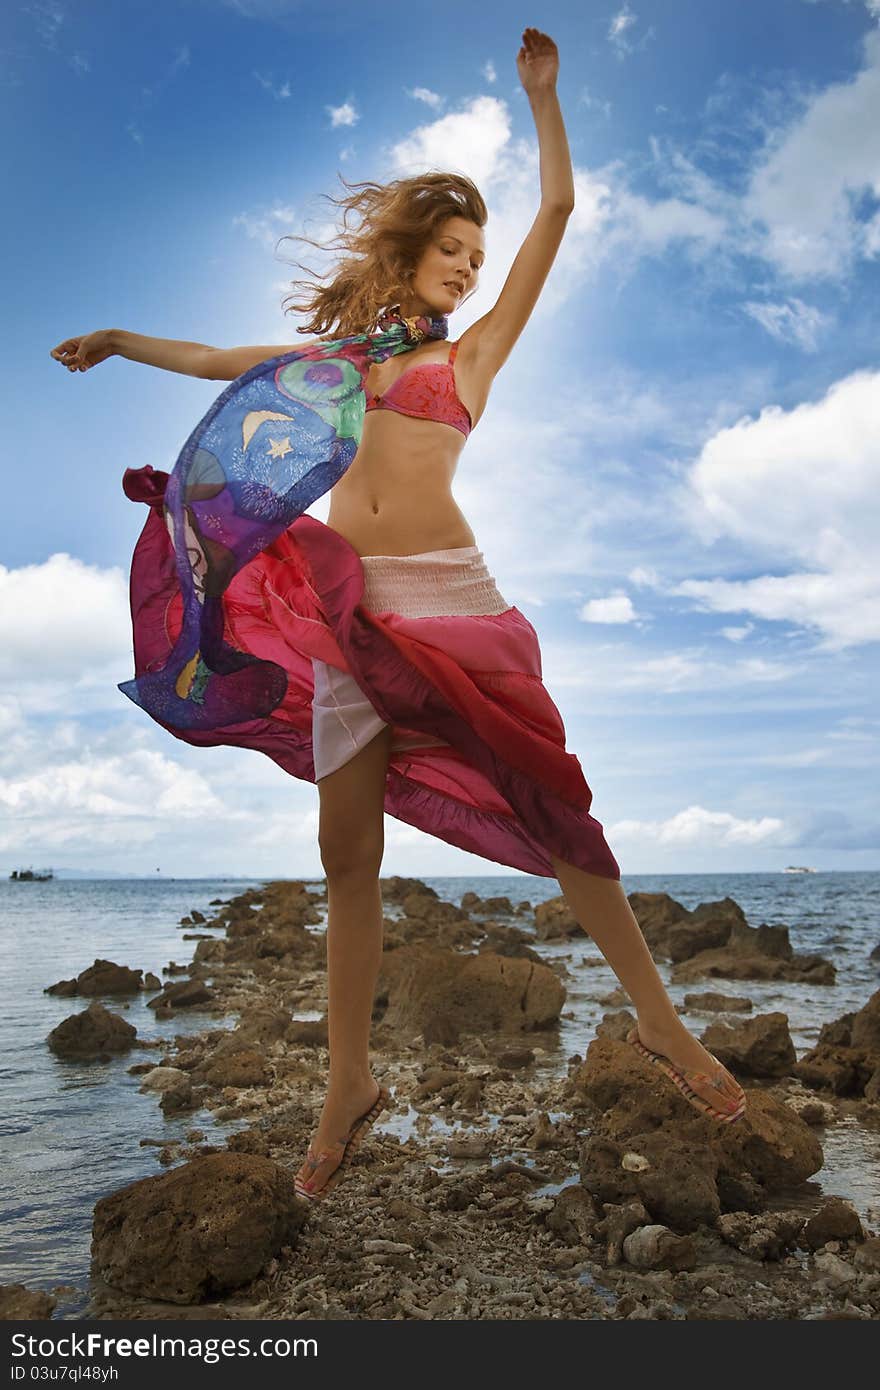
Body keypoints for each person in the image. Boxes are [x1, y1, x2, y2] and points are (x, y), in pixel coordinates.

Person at [50, 28, 746, 1202]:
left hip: (455, 607)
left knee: (553, 808)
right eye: (453, 251)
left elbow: (559, 215)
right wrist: (119, 340)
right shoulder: (328, 366)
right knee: (346, 856)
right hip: (346, 617)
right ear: (409, 252)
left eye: (476, 255)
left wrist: (545, 103)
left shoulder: (472, 359)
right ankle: (348, 1086)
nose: (469, 269)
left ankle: (660, 1028)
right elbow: (220, 355)